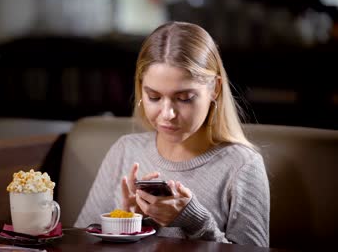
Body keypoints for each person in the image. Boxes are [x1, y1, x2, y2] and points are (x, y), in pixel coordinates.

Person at [75, 21, 270, 247]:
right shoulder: (125, 150)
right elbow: (80, 242)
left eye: (184, 98)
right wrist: (124, 220)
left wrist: (196, 222)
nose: (167, 114)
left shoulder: (242, 166)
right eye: (154, 97)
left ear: (215, 89)